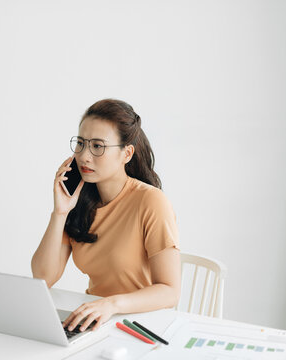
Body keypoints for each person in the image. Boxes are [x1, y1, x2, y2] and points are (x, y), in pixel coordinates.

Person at [31, 98, 180, 333]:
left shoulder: (150, 201)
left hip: (142, 324)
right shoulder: (78, 201)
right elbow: (42, 277)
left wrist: (111, 304)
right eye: (80, 143)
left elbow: (169, 291)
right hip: (96, 322)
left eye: (98, 146)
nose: (84, 156)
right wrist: (59, 212)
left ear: (127, 153)